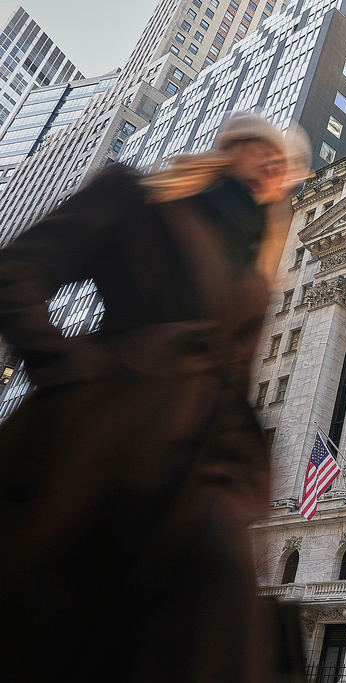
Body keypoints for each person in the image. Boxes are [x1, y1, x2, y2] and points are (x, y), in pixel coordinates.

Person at [0, 111, 309, 683]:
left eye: (285, 164)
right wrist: (67, 366)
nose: (276, 165)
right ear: (232, 148)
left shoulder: (258, 278)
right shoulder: (135, 198)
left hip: (200, 473)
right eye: (263, 150)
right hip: (103, 435)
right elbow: (16, 272)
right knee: (53, 607)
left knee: (215, 615)